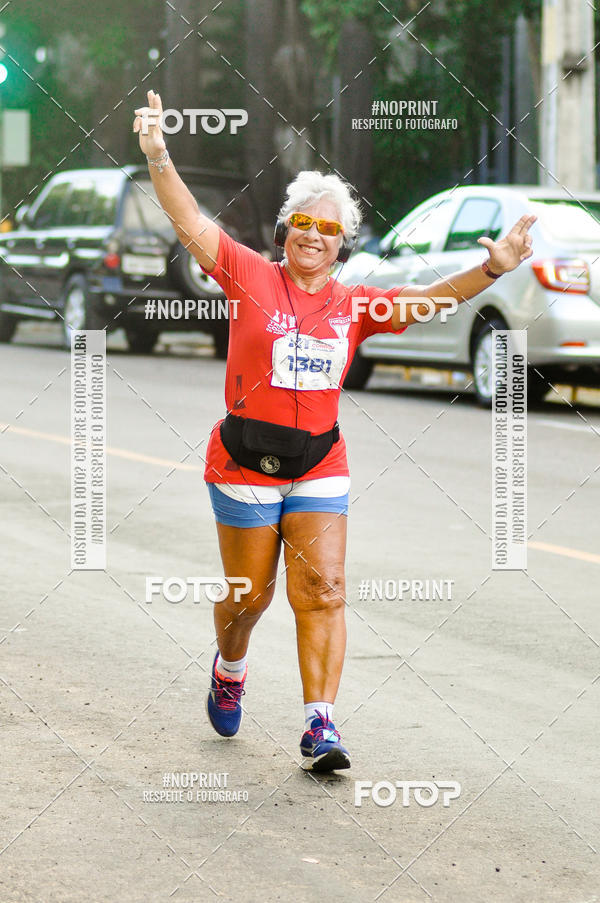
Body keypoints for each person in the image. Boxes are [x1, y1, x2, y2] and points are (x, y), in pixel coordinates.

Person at [133, 89, 536, 773]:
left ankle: (319, 723)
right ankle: (230, 668)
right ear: (284, 229)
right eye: (303, 223)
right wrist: (158, 156)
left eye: (328, 228)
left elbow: (427, 300)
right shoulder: (249, 274)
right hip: (243, 462)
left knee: (322, 590)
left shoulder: (356, 305)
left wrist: (493, 268)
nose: (313, 235)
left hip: (320, 463)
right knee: (249, 597)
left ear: (342, 242)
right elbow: (189, 221)